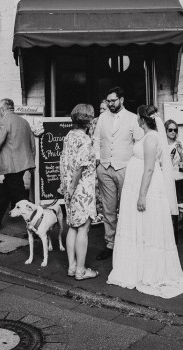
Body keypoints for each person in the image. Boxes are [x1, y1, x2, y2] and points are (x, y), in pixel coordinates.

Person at [107, 105, 183, 298]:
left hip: (146, 188)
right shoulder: (145, 137)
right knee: (139, 227)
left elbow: (150, 168)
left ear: (142, 119)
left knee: (148, 226)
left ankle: (149, 271)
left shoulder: (151, 138)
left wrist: (142, 195)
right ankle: (137, 267)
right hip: (135, 186)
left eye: (137, 116)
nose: (136, 119)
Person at [92, 86, 143, 260]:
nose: (110, 104)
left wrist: (134, 164)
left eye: (113, 100)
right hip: (105, 169)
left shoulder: (132, 118)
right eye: (108, 101)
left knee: (127, 206)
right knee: (108, 209)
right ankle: (110, 244)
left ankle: (129, 242)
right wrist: (98, 160)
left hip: (125, 168)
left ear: (121, 100)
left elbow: (139, 142)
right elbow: (97, 139)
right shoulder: (102, 118)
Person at [0, 98, 35, 233]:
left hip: (11, 165)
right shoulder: (24, 122)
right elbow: (32, 145)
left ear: (2, 109)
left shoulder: (2, 122)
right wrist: (31, 163)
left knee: (21, 197)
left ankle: (35, 225)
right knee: (6, 192)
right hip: (23, 164)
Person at [60, 103, 98, 280]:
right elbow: (79, 168)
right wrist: (74, 187)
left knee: (72, 227)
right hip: (82, 188)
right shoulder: (84, 140)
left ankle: (72, 266)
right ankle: (81, 271)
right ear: (87, 119)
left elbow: (64, 162)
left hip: (69, 187)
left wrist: (67, 188)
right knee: (83, 227)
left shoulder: (69, 136)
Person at [89, 100, 108, 225]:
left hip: (109, 158)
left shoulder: (113, 122)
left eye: (104, 109)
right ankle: (98, 213)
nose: (101, 111)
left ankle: (108, 213)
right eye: (100, 108)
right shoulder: (94, 122)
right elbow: (92, 140)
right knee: (95, 186)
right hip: (96, 158)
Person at [165, 119, 183, 201]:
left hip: (178, 174)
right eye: (170, 130)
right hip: (167, 174)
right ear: (165, 131)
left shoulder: (179, 143)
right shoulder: (161, 144)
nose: (173, 132)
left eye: (175, 130)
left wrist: (180, 152)